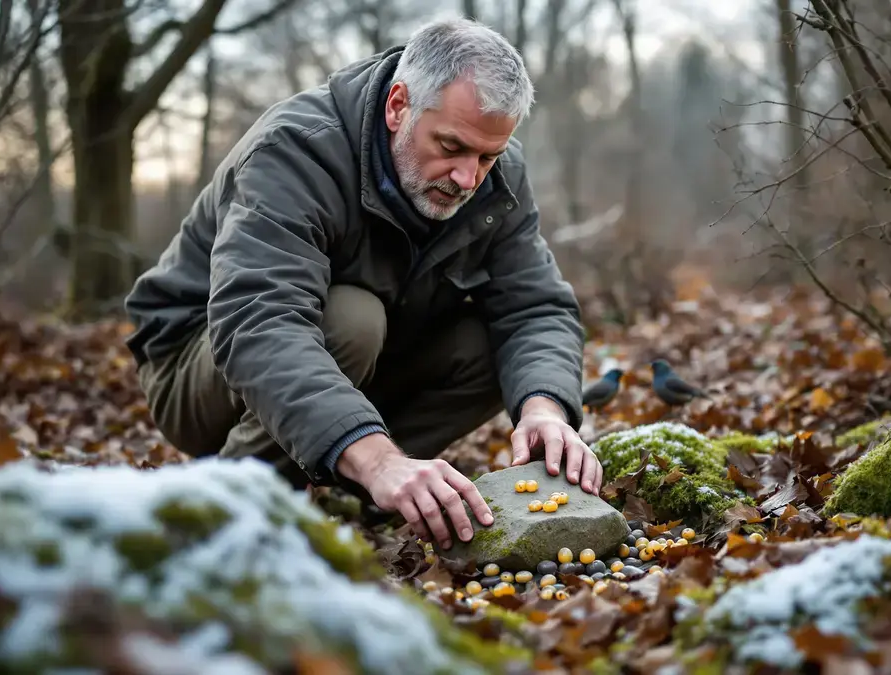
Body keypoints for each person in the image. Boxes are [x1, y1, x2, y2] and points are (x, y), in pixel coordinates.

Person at [123, 18, 601, 551]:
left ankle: (348, 490)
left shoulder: (497, 177)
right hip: (197, 364)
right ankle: (228, 510)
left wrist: (543, 406)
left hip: (357, 359)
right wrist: (374, 455)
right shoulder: (295, 151)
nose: (468, 178)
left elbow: (535, 307)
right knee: (351, 320)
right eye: (450, 146)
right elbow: (259, 320)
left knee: (499, 351)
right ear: (398, 105)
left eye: (486, 157)